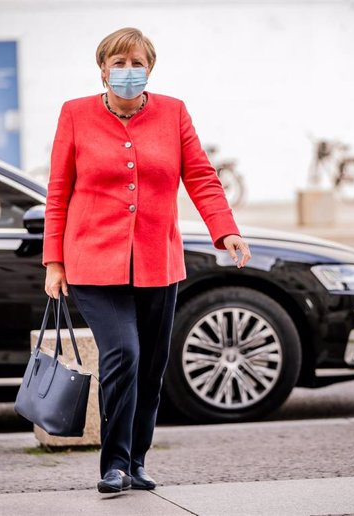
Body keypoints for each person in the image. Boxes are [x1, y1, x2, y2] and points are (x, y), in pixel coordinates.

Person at [43, 27, 251, 494]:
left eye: (137, 63)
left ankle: (137, 460)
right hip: (93, 262)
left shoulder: (173, 112)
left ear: (149, 69)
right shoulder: (75, 114)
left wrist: (226, 228)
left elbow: (200, 174)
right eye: (118, 63)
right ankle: (113, 464)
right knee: (124, 354)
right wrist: (53, 261)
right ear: (102, 69)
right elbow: (59, 190)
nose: (127, 71)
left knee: (152, 366)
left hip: (158, 261)